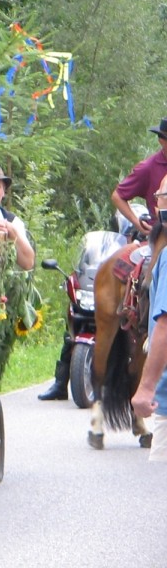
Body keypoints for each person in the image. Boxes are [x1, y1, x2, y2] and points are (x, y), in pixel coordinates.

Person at [130, 175, 167, 462]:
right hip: (140, 232)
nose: (157, 201)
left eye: (162, 196)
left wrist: (145, 387)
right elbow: (120, 195)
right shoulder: (150, 164)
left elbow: (166, 324)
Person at [111, 117, 167, 237]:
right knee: (125, 254)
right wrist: (137, 223)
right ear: (161, 141)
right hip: (160, 237)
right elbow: (118, 196)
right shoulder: (148, 168)